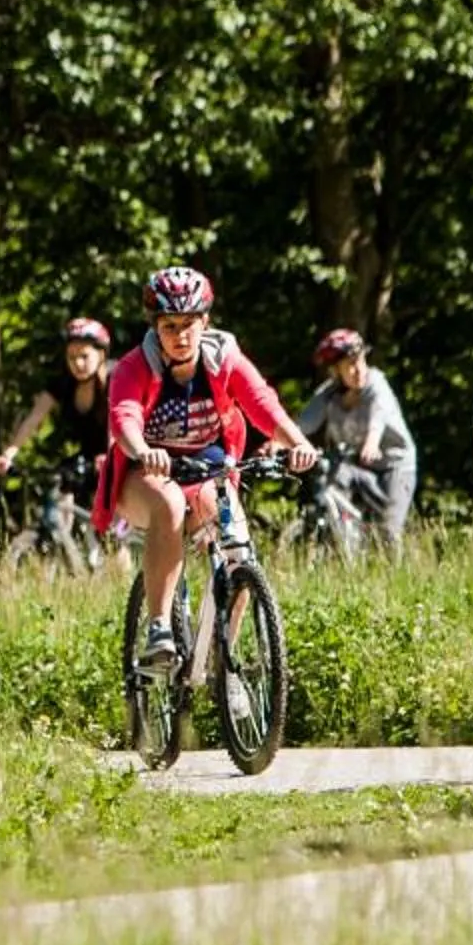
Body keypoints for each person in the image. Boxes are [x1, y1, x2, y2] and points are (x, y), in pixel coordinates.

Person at [97, 266, 320, 666]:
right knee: (168, 504)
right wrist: (142, 449)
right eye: (169, 326)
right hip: (147, 475)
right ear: (155, 326)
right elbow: (123, 417)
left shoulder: (224, 358)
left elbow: (262, 406)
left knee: (240, 551)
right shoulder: (134, 366)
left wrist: (299, 443)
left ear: (206, 321)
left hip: (207, 474)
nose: (180, 336)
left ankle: (226, 664)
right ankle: (160, 629)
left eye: (189, 324)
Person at [298, 326, 419, 551]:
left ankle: (395, 573)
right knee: (332, 477)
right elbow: (302, 425)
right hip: (360, 466)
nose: (359, 370)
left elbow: (379, 415)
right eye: (351, 366)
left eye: (361, 361)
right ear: (336, 371)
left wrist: (372, 442)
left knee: (388, 531)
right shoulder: (329, 394)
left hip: (395, 466)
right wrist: (277, 442)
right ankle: (344, 543)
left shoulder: (376, 383)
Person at [0, 317, 115, 480]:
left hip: (127, 456)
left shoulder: (117, 380)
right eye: (71, 357)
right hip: (88, 462)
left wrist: (113, 457)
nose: (77, 363)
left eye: (84, 356)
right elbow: (34, 418)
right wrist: (8, 454)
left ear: (101, 354)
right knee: (58, 492)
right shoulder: (63, 383)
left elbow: (119, 425)